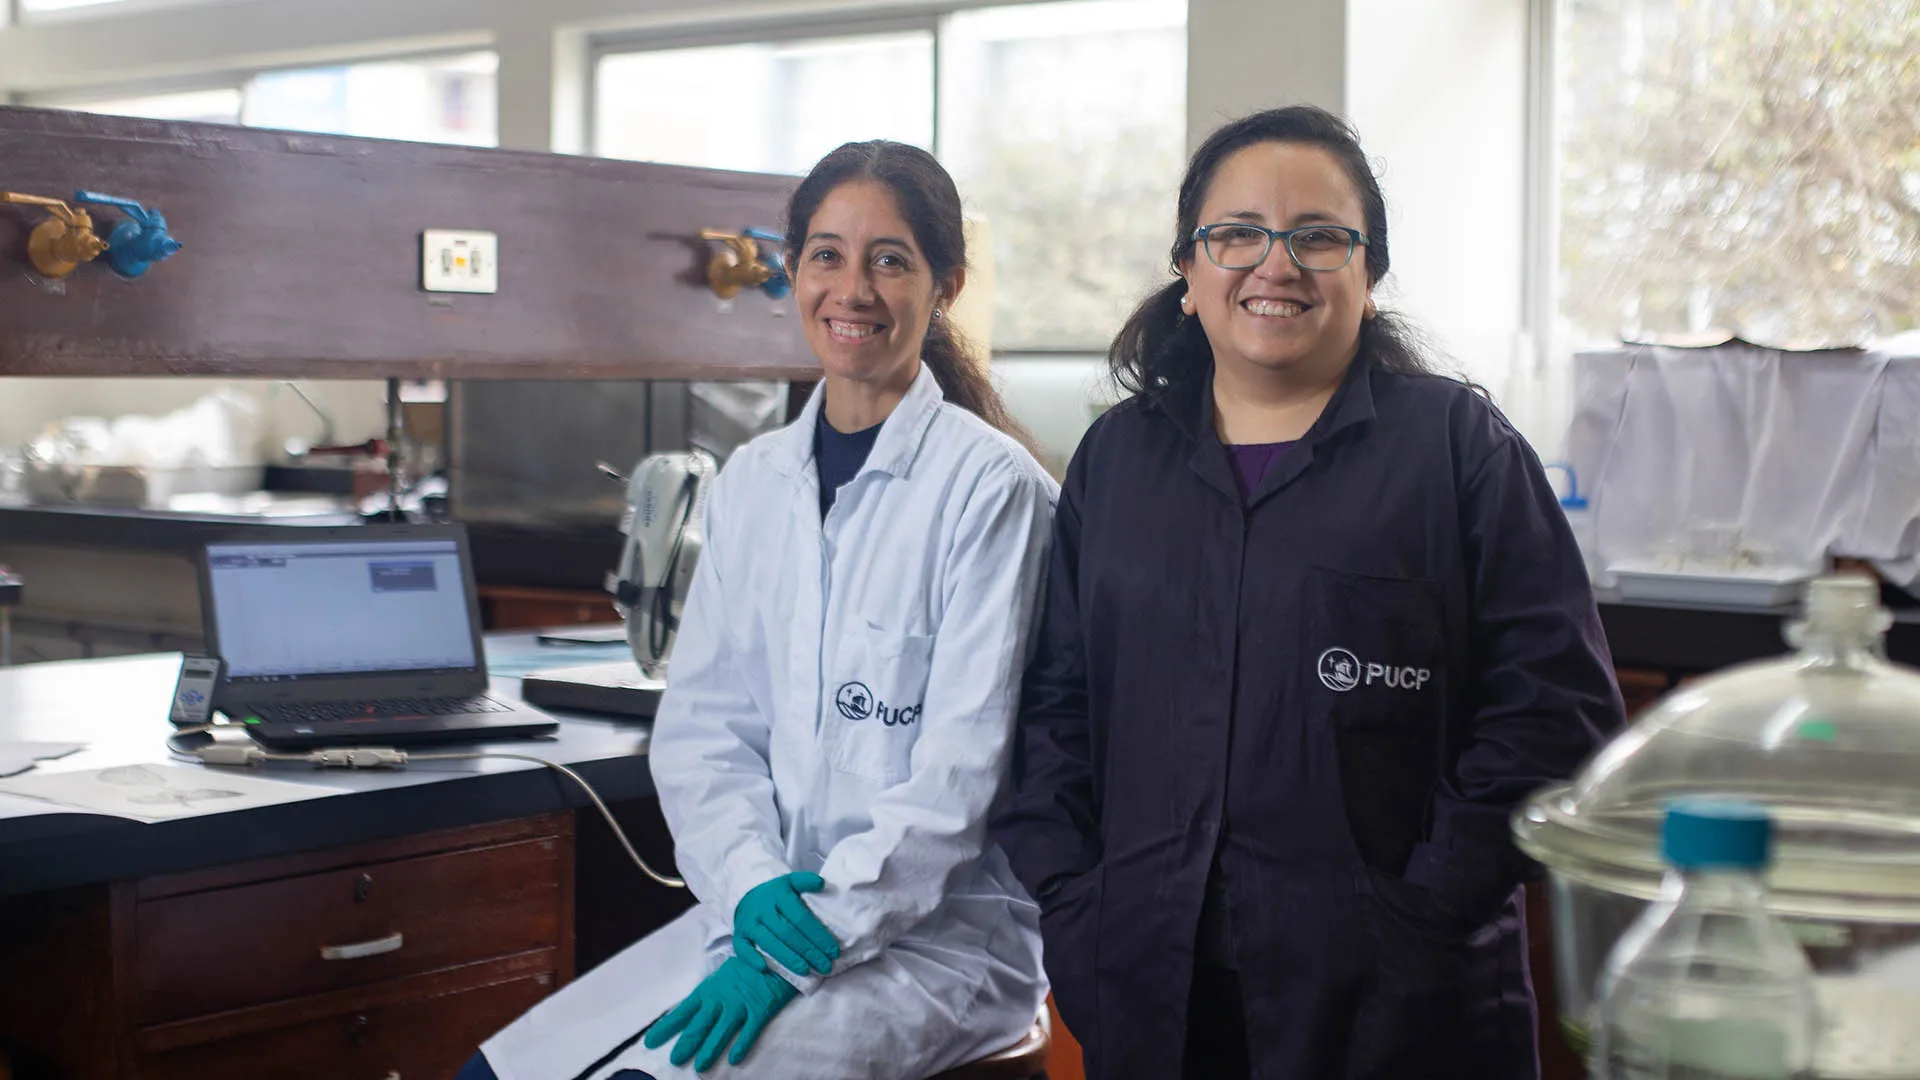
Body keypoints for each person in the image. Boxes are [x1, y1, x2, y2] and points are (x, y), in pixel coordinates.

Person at [991, 105, 1628, 1080]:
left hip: (1401, 1006)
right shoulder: (1119, 460)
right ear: (1190, 272)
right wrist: (1078, 905)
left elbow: (1554, 715)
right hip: (1150, 986)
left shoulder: (1457, 450)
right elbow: (1054, 710)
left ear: (1368, 277)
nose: (1275, 263)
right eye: (1237, 233)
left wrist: (1416, 918)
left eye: (1319, 237)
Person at [469, 140, 1056, 1080]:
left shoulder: (992, 492)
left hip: (938, 951)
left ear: (943, 285)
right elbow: (705, 733)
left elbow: (956, 788)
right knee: (495, 1073)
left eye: (889, 260)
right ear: (792, 274)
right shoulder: (755, 481)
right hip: (760, 919)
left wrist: (801, 937)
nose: (852, 289)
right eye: (827, 255)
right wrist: (749, 892)